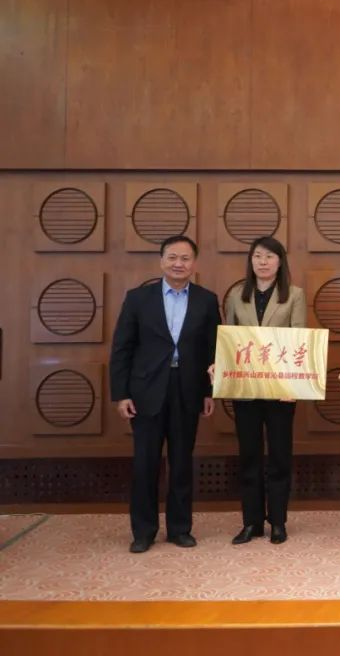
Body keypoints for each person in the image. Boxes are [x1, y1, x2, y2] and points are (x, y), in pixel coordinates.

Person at [109, 235, 220, 553]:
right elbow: (122, 348)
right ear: (161, 261)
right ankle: (143, 531)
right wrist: (121, 394)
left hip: (188, 389)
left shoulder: (206, 300)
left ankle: (180, 529)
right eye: (172, 257)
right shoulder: (138, 299)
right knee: (145, 463)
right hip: (146, 391)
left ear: (194, 263)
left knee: (182, 462)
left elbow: (213, 349)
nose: (178, 264)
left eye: (185, 258)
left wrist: (209, 391)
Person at [222, 236, 306, 546]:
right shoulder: (236, 295)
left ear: (280, 262)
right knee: (249, 455)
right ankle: (251, 522)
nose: (263, 261)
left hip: (280, 389)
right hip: (245, 388)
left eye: (270, 256)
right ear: (251, 261)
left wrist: (293, 385)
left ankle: (278, 521)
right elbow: (228, 340)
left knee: (280, 456)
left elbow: (299, 341)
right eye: (257, 256)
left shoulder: (294, 295)